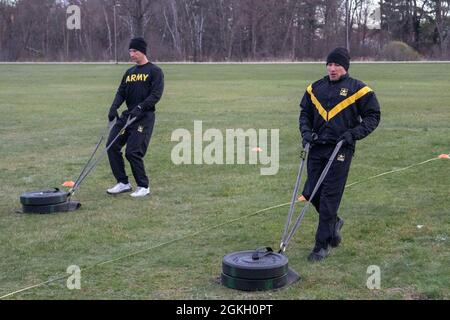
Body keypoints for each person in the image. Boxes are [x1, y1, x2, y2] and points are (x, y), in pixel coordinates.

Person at [299, 47, 380, 261]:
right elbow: (304, 114)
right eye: (330, 64)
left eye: (337, 65)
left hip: (340, 149)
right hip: (317, 147)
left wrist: (354, 134)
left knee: (329, 197)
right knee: (310, 192)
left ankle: (321, 244)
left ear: (345, 67)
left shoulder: (359, 90)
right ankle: (333, 222)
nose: (332, 69)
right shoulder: (314, 88)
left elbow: (373, 116)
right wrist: (306, 133)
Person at [106, 37, 164, 197]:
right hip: (128, 116)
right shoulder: (129, 72)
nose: (131, 54)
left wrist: (140, 107)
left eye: (134, 51)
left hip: (144, 117)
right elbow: (121, 92)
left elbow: (156, 95)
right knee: (111, 146)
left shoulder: (155, 71)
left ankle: (143, 186)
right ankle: (123, 183)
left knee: (132, 152)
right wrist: (113, 107)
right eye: (130, 51)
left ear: (142, 51)